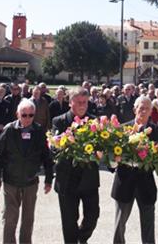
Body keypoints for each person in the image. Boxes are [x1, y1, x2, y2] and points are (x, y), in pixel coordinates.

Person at [0, 99, 54, 244]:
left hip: (30, 181)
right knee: (10, 217)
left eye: (31, 115)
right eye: (24, 115)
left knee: (28, 219)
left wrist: (49, 179)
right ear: (18, 114)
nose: (27, 118)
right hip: (11, 180)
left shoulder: (39, 131)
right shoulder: (9, 129)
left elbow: (47, 157)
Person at [111, 96, 158, 244]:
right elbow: (111, 158)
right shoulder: (122, 129)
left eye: (147, 108)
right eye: (141, 107)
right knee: (119, 224)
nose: (143, 111)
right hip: (124, 182)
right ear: (134, 109)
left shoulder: (157, 130)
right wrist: (114, 160)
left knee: (148, 225)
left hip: (145, 183)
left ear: (151, 111)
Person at [53, 87, 99, 244]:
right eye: (79, 102)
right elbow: (53, 147)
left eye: (85, 102)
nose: (82, 105)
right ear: (70, 102)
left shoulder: (94, 121)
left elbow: (101, 146)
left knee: (93, 216)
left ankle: (82, 238)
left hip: (89, 179)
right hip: (67, 180)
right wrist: (59, 142)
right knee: (69, 222)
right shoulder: (59, 121)